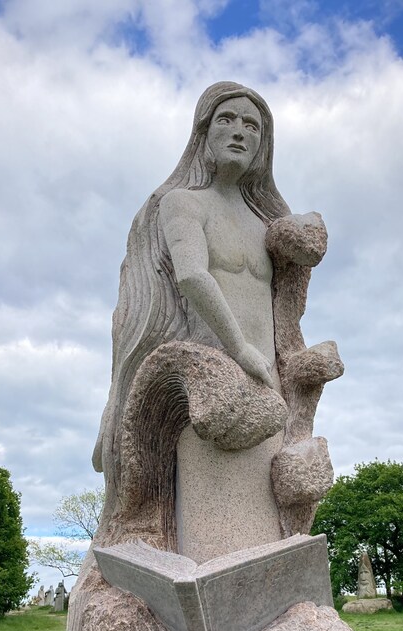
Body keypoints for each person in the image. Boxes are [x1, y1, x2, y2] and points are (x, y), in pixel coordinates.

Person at [92, 82, 293, 560]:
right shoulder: (184, 202)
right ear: (203, 133)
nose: (239, 132)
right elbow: (191, 275)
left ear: (263, 145)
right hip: (210, 386)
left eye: (252, 126)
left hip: (267, 386)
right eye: (227, 119)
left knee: (267, 537)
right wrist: (239, 348)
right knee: (210, 552)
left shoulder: (267, 224)